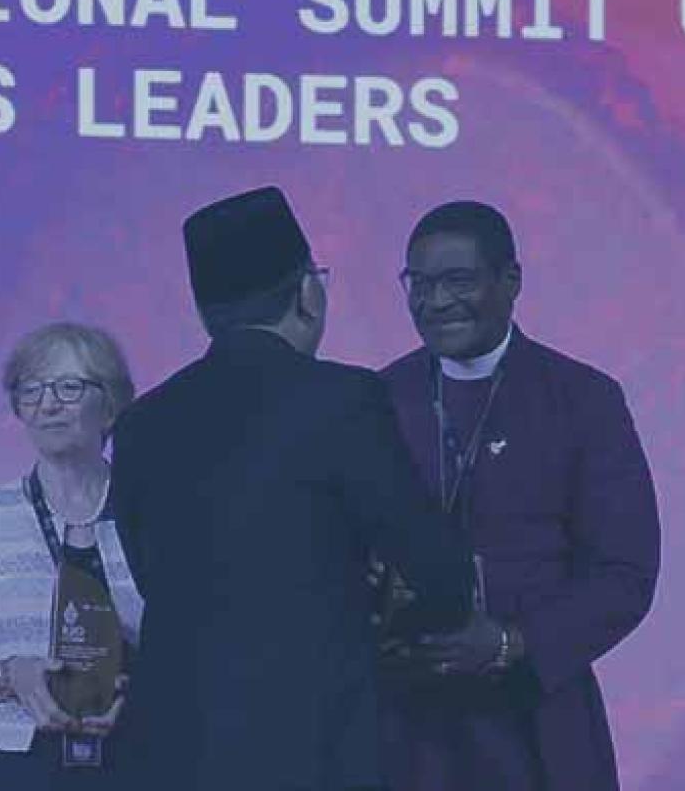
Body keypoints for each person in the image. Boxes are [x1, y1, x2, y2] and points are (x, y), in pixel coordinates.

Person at [110, 186, 475, 791]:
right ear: (309, 292)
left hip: (173, 750)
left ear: (206, 314)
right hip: (310, 743)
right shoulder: (344, 400)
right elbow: (438, 568)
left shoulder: (141, 423)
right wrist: (393, 629)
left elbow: (151, 573)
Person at [377, 201, 661, 791]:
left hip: (539, 716)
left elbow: (625, 572)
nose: (434, 302)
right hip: (407, 723)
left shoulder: (582, 399)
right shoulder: (378, 398)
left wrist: (511, 643)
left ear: (510, 282)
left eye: (457, 280)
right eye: (419, 283)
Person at [0, 322, 144, 791]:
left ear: (110, 406)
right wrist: (12, 675)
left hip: (135, 752)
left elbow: (186, 648)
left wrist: (137, 690)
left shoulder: (150, 512)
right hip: (13, 764)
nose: (47, 404)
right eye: (31, 390)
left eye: (68, 387)